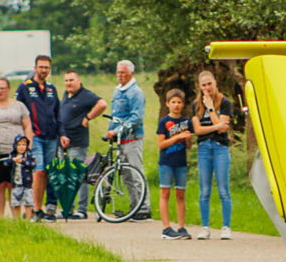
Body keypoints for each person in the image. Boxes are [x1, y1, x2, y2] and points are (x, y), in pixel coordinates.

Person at [15, 55, 64, 223]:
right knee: (38, 171)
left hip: (52, 137)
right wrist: (24, 135)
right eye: (41, 67)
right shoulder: (25, 88)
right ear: (35, 68)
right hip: (35, 136)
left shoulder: (52, 89)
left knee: (49, 172)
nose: (44, 70)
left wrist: (62, 134)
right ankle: (36, 209)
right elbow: (18, 111)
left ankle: (48, 208)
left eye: (47, 68)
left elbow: (58, 114)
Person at [0, 77, 34, 220]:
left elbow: (27, 126)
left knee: (14, 185)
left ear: (9, 89)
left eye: (3, 88)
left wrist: (28, 146)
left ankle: (16, 218)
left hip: (16, 153)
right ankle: (0, 218)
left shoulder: (19, 106)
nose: (0, 91)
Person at [105, 60, 151, 222]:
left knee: (136, 172)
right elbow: (115, 115)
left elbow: (136, 117)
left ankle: (144, 208)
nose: (119, 75)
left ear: (131, 73)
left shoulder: (135, 93)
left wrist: (117, 130)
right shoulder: (117, 91)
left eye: (123, 72)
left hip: (132, 138)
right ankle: (134, 207)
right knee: (126, 176)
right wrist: (110, 131)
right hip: (120, 140)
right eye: (118, 72)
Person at [59, 70, 107, 219]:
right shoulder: (66, 95)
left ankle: (82, 210)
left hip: (78, 143)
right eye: (66, 80)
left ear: (78, 80)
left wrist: (88, 117)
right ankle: (68, 209)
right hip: (63, 142)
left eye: (71, 80)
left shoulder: (85, 95)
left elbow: (102, 104)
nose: (68, 83)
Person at [191, 71, 233, 240]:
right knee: (204, 191)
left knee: (223, 190)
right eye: (203, 85)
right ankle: (205, 227)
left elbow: (223, 128)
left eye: (209, 84)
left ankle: (226, 227)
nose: (207, 88)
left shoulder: (225, 102)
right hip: (203, 148)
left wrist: (210, 107)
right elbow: (198, 130)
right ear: (199, 86)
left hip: (220, 147)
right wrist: (216, 126)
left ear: (215, 83)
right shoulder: (195, 104)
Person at [156, 89, 193, 239]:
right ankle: (166, 228)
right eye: (173, 102)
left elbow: (188, 146)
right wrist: (178, 136)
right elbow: (161, 144)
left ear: (183, 104)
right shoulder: (164, 122)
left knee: (180, 194)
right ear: (167, 104)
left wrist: (187, 138)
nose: (176, 105)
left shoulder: (186, 122)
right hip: (166, 162)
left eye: (179, 102)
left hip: (181, 162)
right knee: (165, 193)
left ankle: (181, 227)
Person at [9, 135, 36, 220]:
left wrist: (23, 161)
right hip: (16, 183)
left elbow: (33, 164)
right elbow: (5, 164)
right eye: (19, 145)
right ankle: (17, 220)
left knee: (28, 202)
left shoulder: (29, 156)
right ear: (15, 146)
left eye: (24, 145)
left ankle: (27, 220)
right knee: (16, 203)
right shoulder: (12, 155)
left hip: (27, 183)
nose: (21, 147)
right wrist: (12, 160)